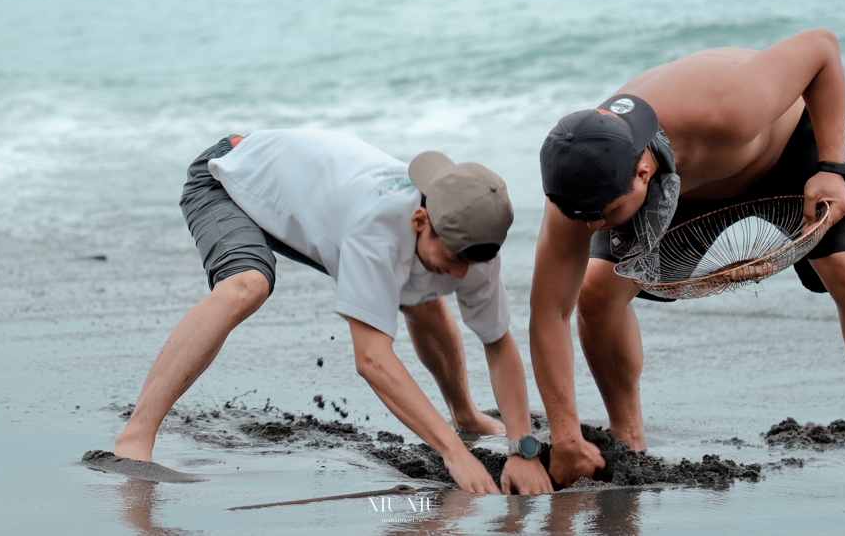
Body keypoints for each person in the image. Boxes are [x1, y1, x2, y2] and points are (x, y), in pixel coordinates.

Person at [530, 29, 845, 491]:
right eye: (583, 218)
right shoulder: (579, 190)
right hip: (687, 188)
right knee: (596, 290)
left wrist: (831, 169)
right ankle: (628, 436)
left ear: (643, 172)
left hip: (786, 150)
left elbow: (821, 48)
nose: (593, 227)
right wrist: (566, 436)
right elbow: (550, 313)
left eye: (605, 216)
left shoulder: (727, 106)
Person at [111, 129, 553, 495]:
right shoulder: (376, 232)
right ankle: (136, 435)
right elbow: (373, 360)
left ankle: (466, 415)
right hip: (228, 179)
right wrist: (452, 454)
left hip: (311, 206)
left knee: (425, 296)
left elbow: (498, 344)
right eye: (453, 255)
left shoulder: (475, 242)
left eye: (470, 263)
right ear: (421, 220)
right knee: (248, 284)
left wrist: (522, 447)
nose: (460, 272)